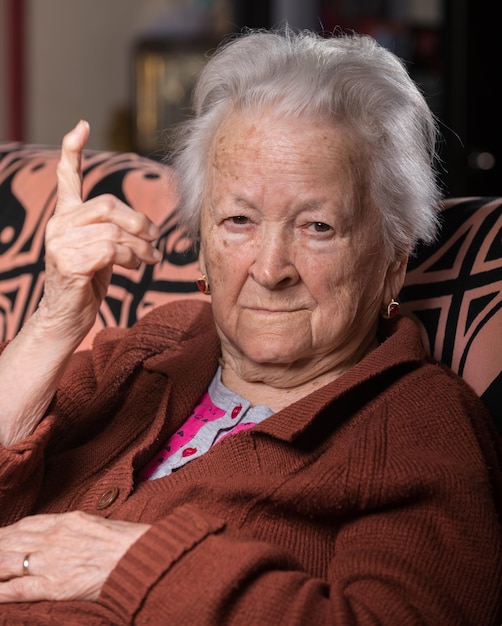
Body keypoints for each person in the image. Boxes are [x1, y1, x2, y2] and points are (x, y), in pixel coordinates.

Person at [0, 27, 500, 626]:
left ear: (392, 263)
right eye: (238, 219)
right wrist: (55, 321)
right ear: (203, 240)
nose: (269, 269)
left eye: (317, 227)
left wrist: (130, 564)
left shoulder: (415, 425)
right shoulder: (152, 348)